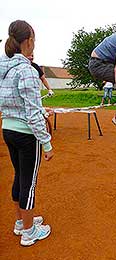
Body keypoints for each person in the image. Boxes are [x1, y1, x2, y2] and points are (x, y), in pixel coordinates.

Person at [0, 20, 53, 246]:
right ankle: (30, 232)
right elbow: (32, 115)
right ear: (29, 41)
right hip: (26, 135)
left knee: (19, 176)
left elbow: (18, 103)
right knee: (29, 182)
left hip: (8, 129)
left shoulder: (5, 69)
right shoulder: (27, 71)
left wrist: (40, 109)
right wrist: (47, 143)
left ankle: (21, 222)